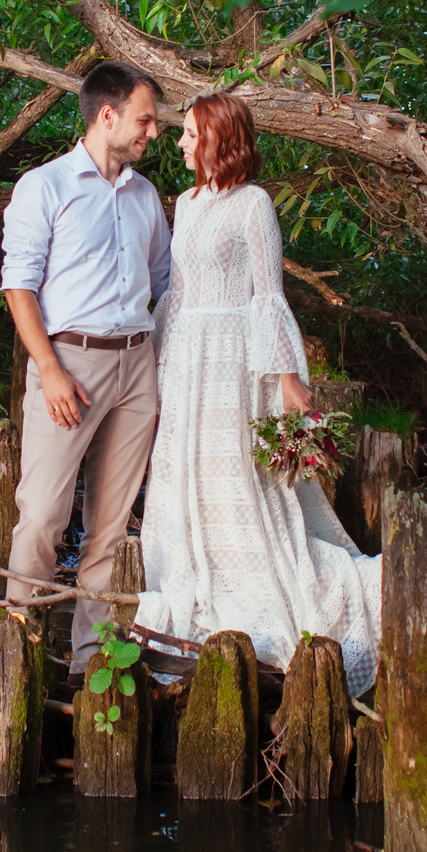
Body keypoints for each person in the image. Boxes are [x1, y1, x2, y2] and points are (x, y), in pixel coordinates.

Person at [136, 93, 382, 694]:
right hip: (189, 356)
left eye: (191, 133)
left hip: (235, 358)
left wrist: (289, 377)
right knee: (182, 474)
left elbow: (267, 295)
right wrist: (158, 365)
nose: (181, 142)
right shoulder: (185, 203)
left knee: (240, 480)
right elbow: (179, 292)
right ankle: (191, 593)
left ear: (220, 138)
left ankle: (283, 602)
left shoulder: (255, 205)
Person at [0, 61, 170, 672]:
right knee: (43, 513)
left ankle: (90, 659)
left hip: (136, 368)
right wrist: (48, 369)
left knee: (111, 523)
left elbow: (161, 283)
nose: (153, 132)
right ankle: (16, 647)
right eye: (145, 120)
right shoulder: (44, 187)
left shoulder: (148, 197)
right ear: (108, 115)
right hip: (68, 363)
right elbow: (18, 286)